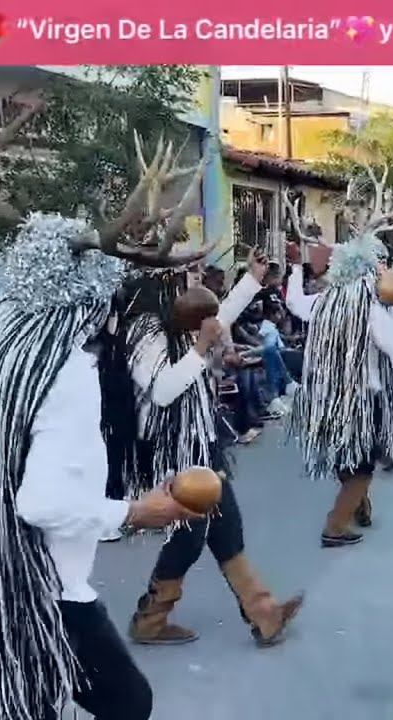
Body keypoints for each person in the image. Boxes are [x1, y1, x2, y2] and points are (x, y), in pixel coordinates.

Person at [0, 215, 202, 720]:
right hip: (37, 591)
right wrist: (134, 512)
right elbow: (43, 504)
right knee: (125, 702)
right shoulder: (68, 374)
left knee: (12, 704)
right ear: (95, 303)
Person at [100, 256, 304, 648]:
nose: (189, 288)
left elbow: (216, 318)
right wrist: (202, 348)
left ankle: (263, 612)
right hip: (174, 451)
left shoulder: (171, 324)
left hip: (198, 442)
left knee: (227, 527)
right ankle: (149, 619)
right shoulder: (144, 332)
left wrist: (251, 282)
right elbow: (161, 392)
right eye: (181, 282)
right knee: (189, 535)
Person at [286, 226, 393, 548]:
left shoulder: (326, 300)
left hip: (328, 398)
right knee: (362, 468)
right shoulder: (370, 308)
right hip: (362, 399)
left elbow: (294, 303)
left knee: (348, 459)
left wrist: (294, 267)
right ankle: (335, 525)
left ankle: (359, 504)